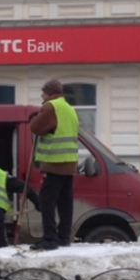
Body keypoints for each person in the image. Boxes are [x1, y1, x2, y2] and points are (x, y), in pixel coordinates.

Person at [29, 79, 80, 251]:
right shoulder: (69, 109)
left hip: (55, 162)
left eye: (44, 92)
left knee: (46, 200)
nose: (42, 95)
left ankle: (49, 238)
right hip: (69, 162)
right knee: (65, 201)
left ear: (51, 93)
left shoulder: (51, 107)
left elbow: (36, 128)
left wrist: (35, 117)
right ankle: (64, 237)